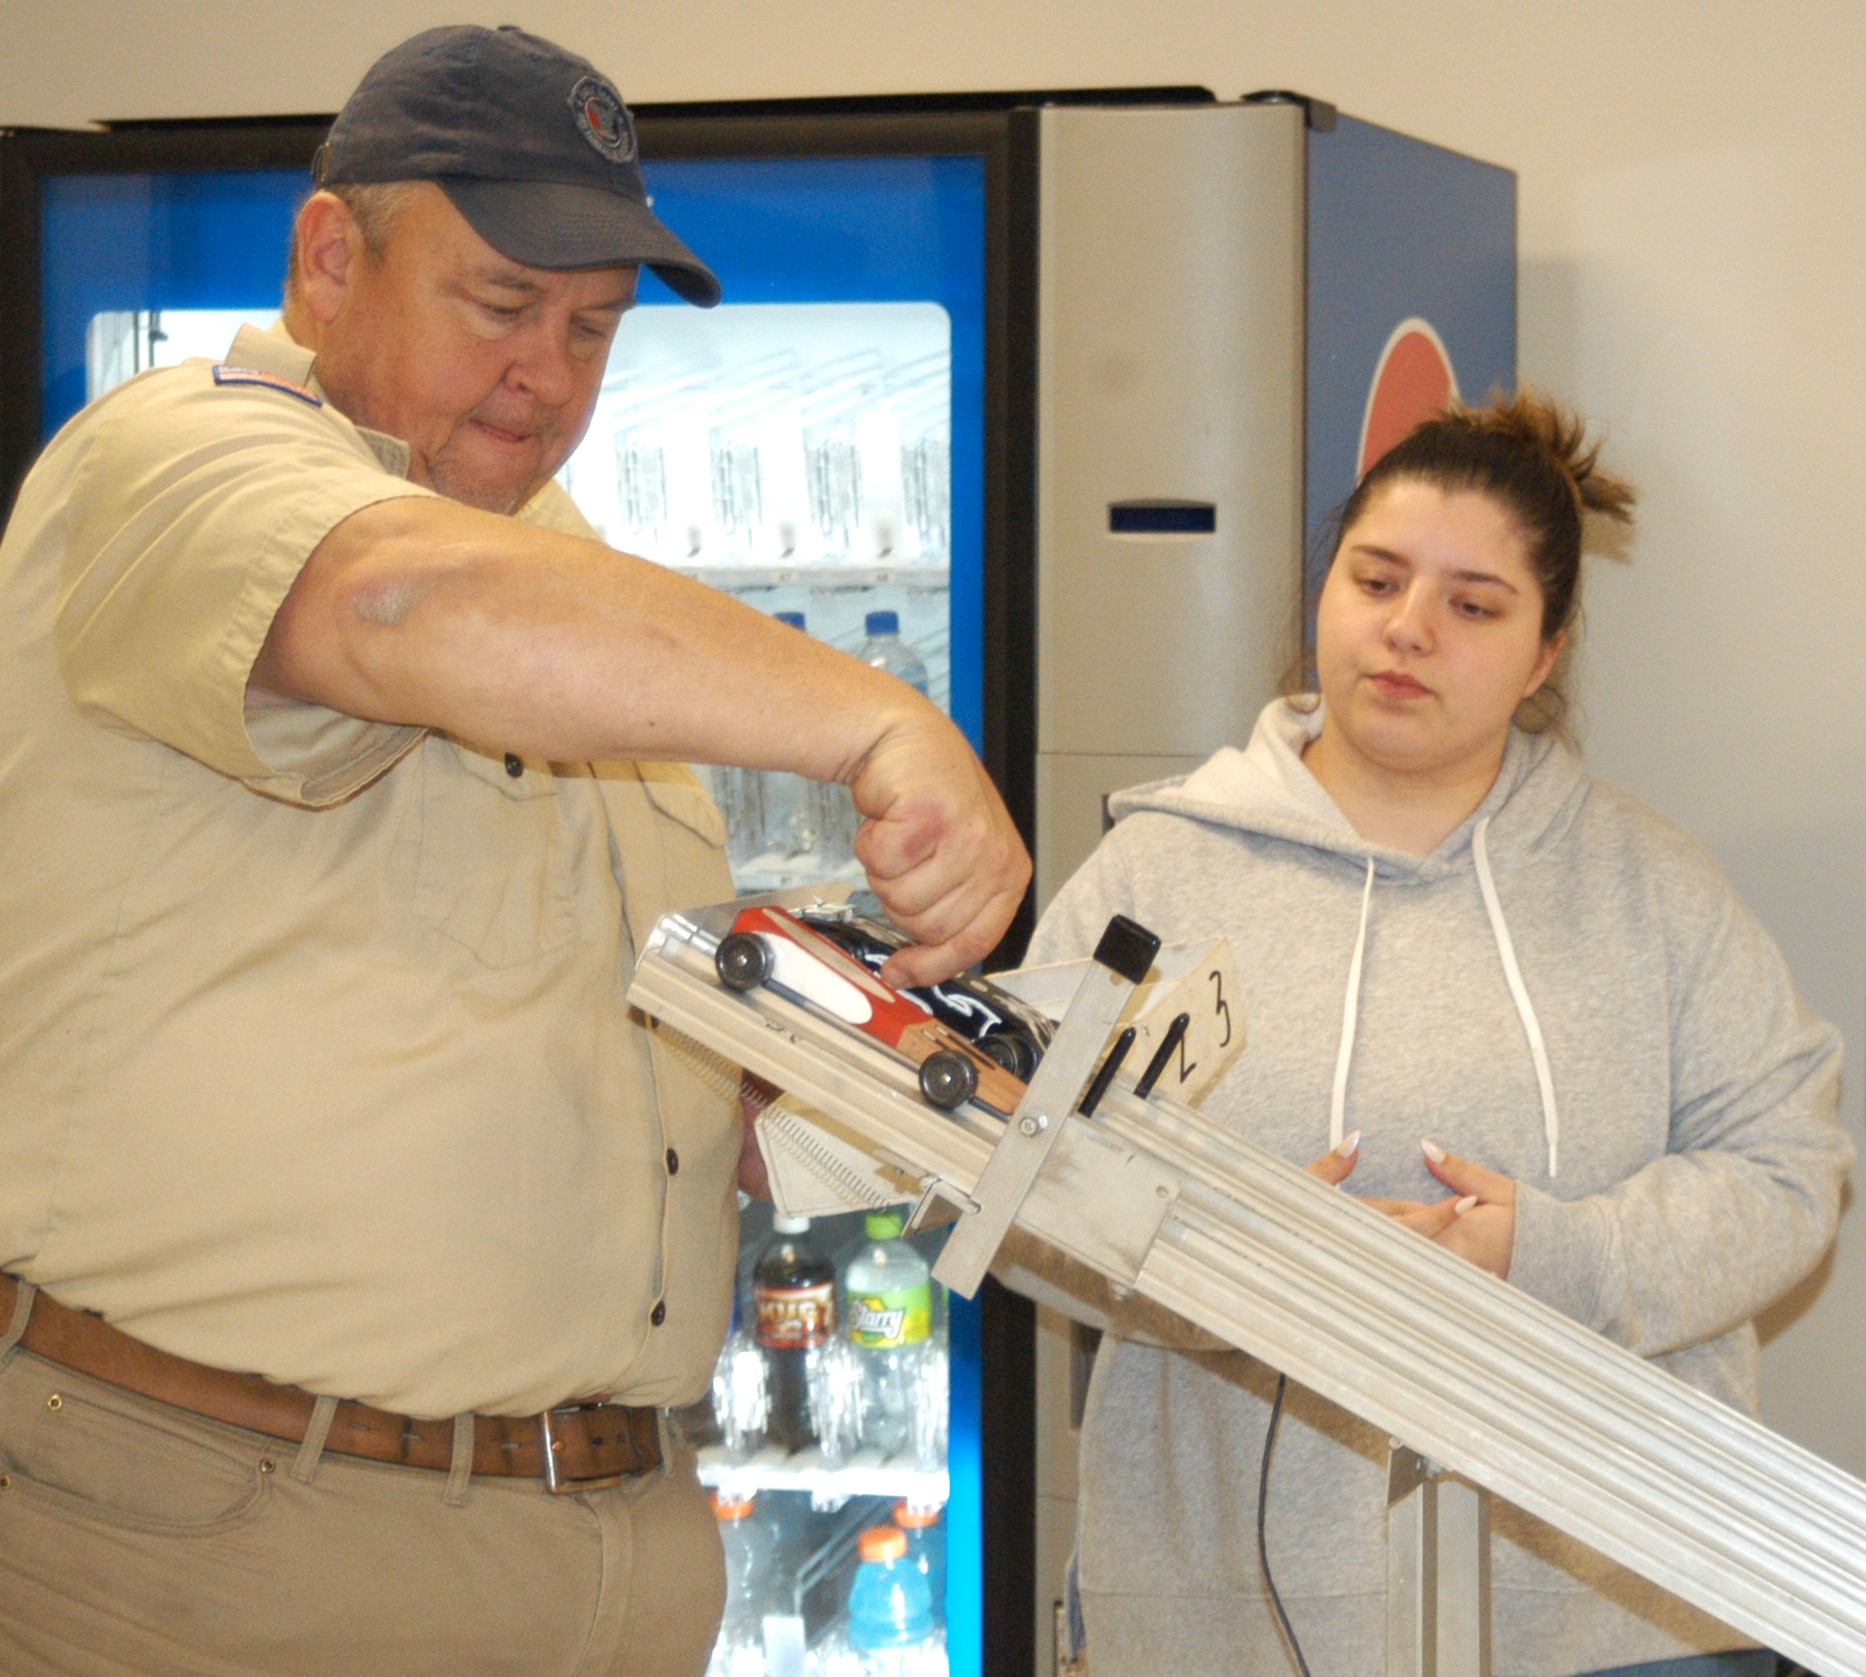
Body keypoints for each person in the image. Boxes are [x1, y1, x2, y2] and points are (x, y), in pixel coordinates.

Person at [0, 25, 1026, 1677]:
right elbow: (394, 603)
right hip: (238, 1522)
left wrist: (853, 1096)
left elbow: (597, 1037)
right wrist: (880, 722)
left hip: (606, 1533)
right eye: (500, 303)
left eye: (591, 327)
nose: (549, 371)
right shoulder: (175, 454)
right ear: (328, 261)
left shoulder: (570, 577)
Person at [1001, 394, 1849, 1677]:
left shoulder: (1652, 891)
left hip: (1620, 1625)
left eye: (1474, 605)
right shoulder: (1150, 876)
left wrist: (1551, 1256)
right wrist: (1229, 1266)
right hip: (1218, 1625)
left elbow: (1790, 1176)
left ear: (1546, 652)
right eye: (1377, 579)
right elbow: (1007, 1186)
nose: (1408, 629)